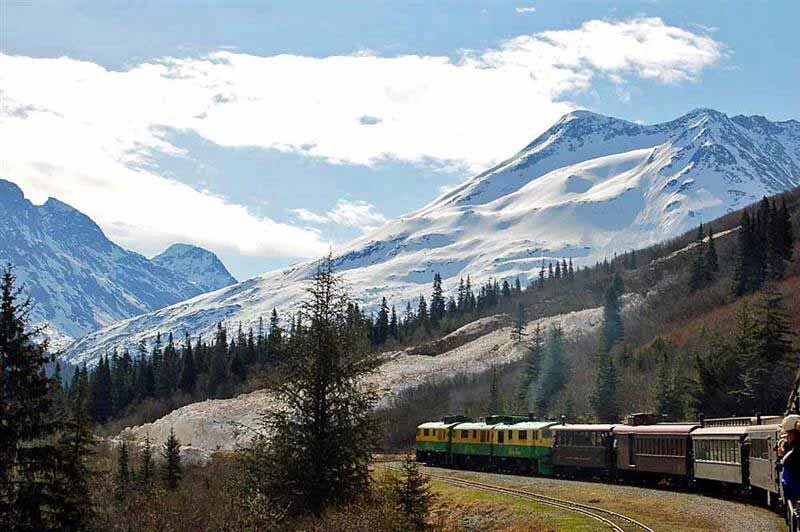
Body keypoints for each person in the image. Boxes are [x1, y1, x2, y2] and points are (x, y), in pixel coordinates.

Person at [780, 415, 800, 527]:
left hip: (795, 492)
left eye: (788, 434)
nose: (787, 437)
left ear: (792, 434)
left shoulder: (794, 453)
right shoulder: (793, 449)